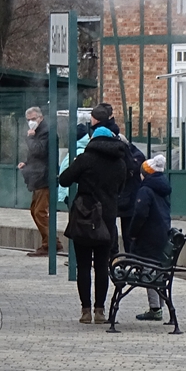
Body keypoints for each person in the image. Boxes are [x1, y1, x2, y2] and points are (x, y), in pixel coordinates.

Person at [57, 103, 131, 324]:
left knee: (82, 266)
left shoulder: (85, 158)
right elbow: (121, 187)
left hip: (83, 215)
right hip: (106, 218)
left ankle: (85, 311)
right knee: (101, 266)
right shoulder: (119, 161)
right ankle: (101, 310)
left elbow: (64, 179)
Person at [124, 155, 174, 321]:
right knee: (156, 269)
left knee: (148, 269)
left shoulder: (145, 190)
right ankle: (158, 306)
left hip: (148, 238)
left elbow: (140, 214)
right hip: (161, 236)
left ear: (145, 173)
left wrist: (132, 233)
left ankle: (155, 308)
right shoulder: (162, 188)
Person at [18, 107, 59, 256]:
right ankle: (49, 242)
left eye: (33, 119)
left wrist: (30, 137)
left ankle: (51, 243)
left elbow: (39, 151)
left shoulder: (46, 132)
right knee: (35, 210)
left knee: (39, 212)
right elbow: (36, 156)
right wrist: (27, 164)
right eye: (28, 120)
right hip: (38, 176)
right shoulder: (38, 133)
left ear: (41, 118)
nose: (31, 122)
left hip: (44, 178)